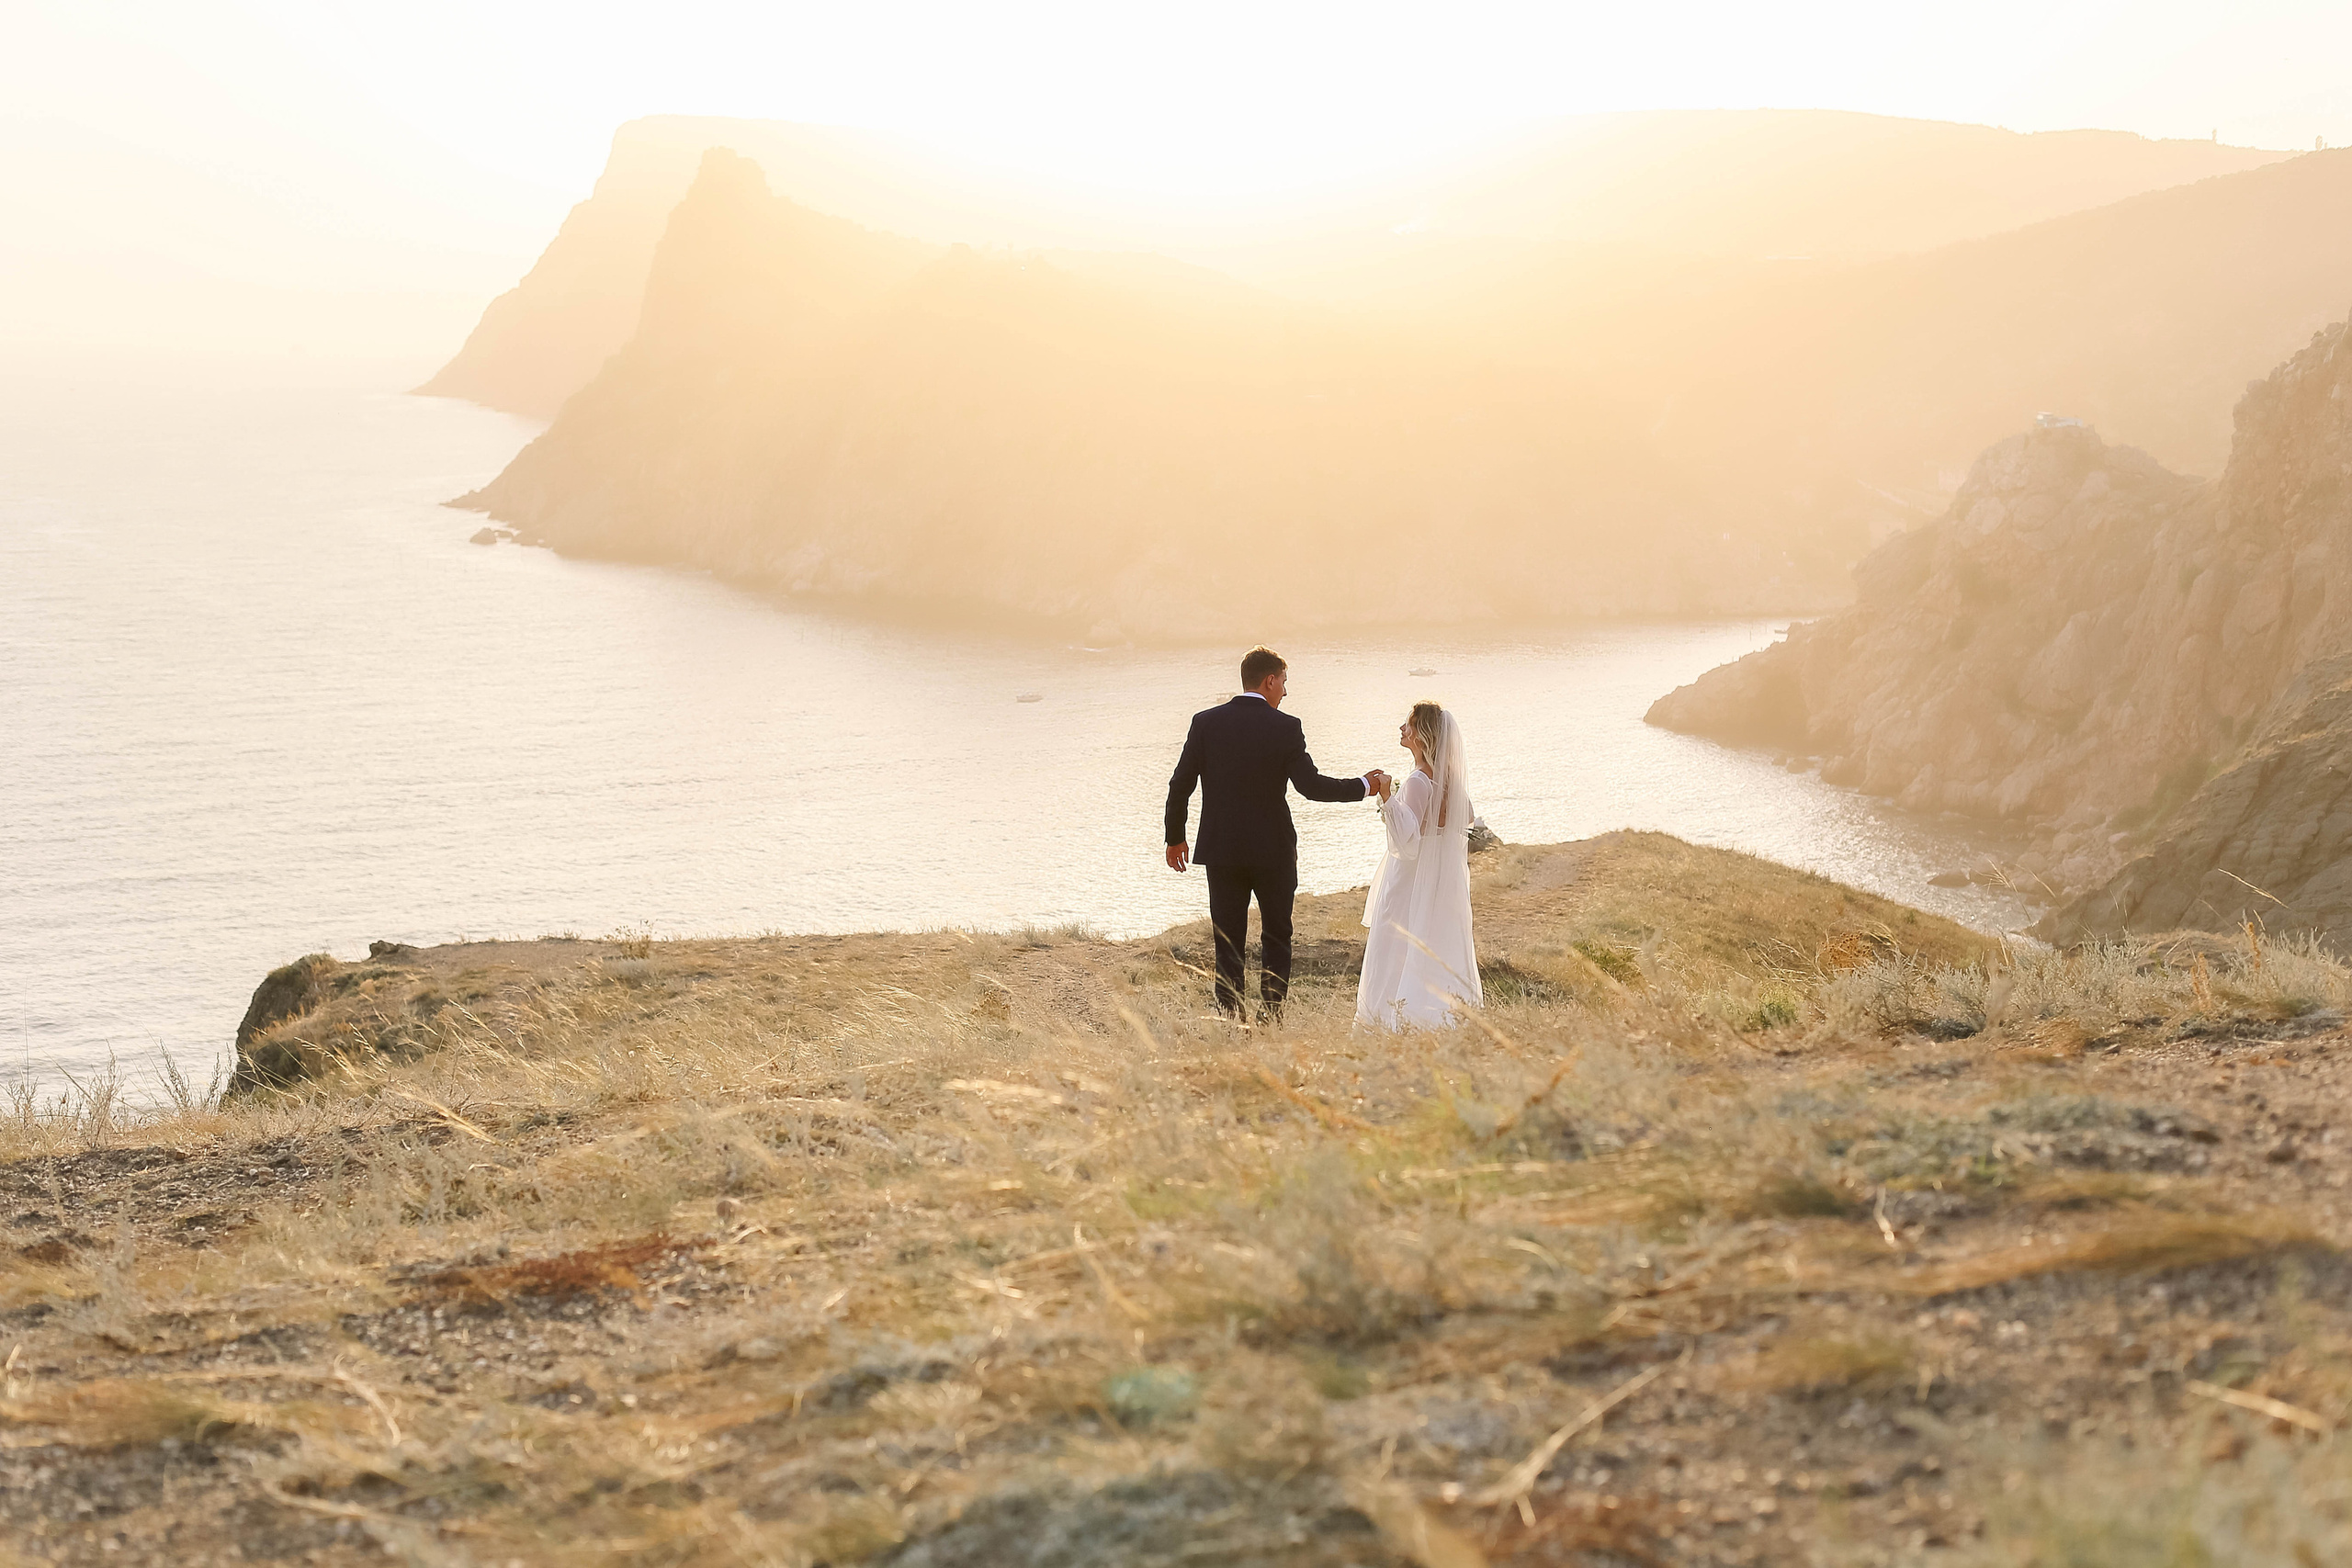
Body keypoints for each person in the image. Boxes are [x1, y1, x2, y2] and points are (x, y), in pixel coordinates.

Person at [1165, 648, 1386, 1022]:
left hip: (1222, 852)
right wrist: (1364, 785)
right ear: (1269, 681)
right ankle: (1271, 1016)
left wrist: (1175, 838)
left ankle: (1230, 1018)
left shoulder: (1205, 723)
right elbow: (1311, 786)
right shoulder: (1286, 727)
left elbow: (1180, 784)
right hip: (1274, 852)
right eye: (1283, 682)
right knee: (1277, 936)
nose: (1285, 691)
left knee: (1227, 939)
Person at [1357, 700, 1480, 1030]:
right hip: (1437, 877)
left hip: (1409, 878)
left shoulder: (1418, 781)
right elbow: (1466, 816)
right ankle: (1441, 1014)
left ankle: (1389, 1019)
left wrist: (1387, 797)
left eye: (1408, 725)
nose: (1402, 729)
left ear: (1421, 735)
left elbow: (1407, 841)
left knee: (1394, 941)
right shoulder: (1448, 779)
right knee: (1433, 940)